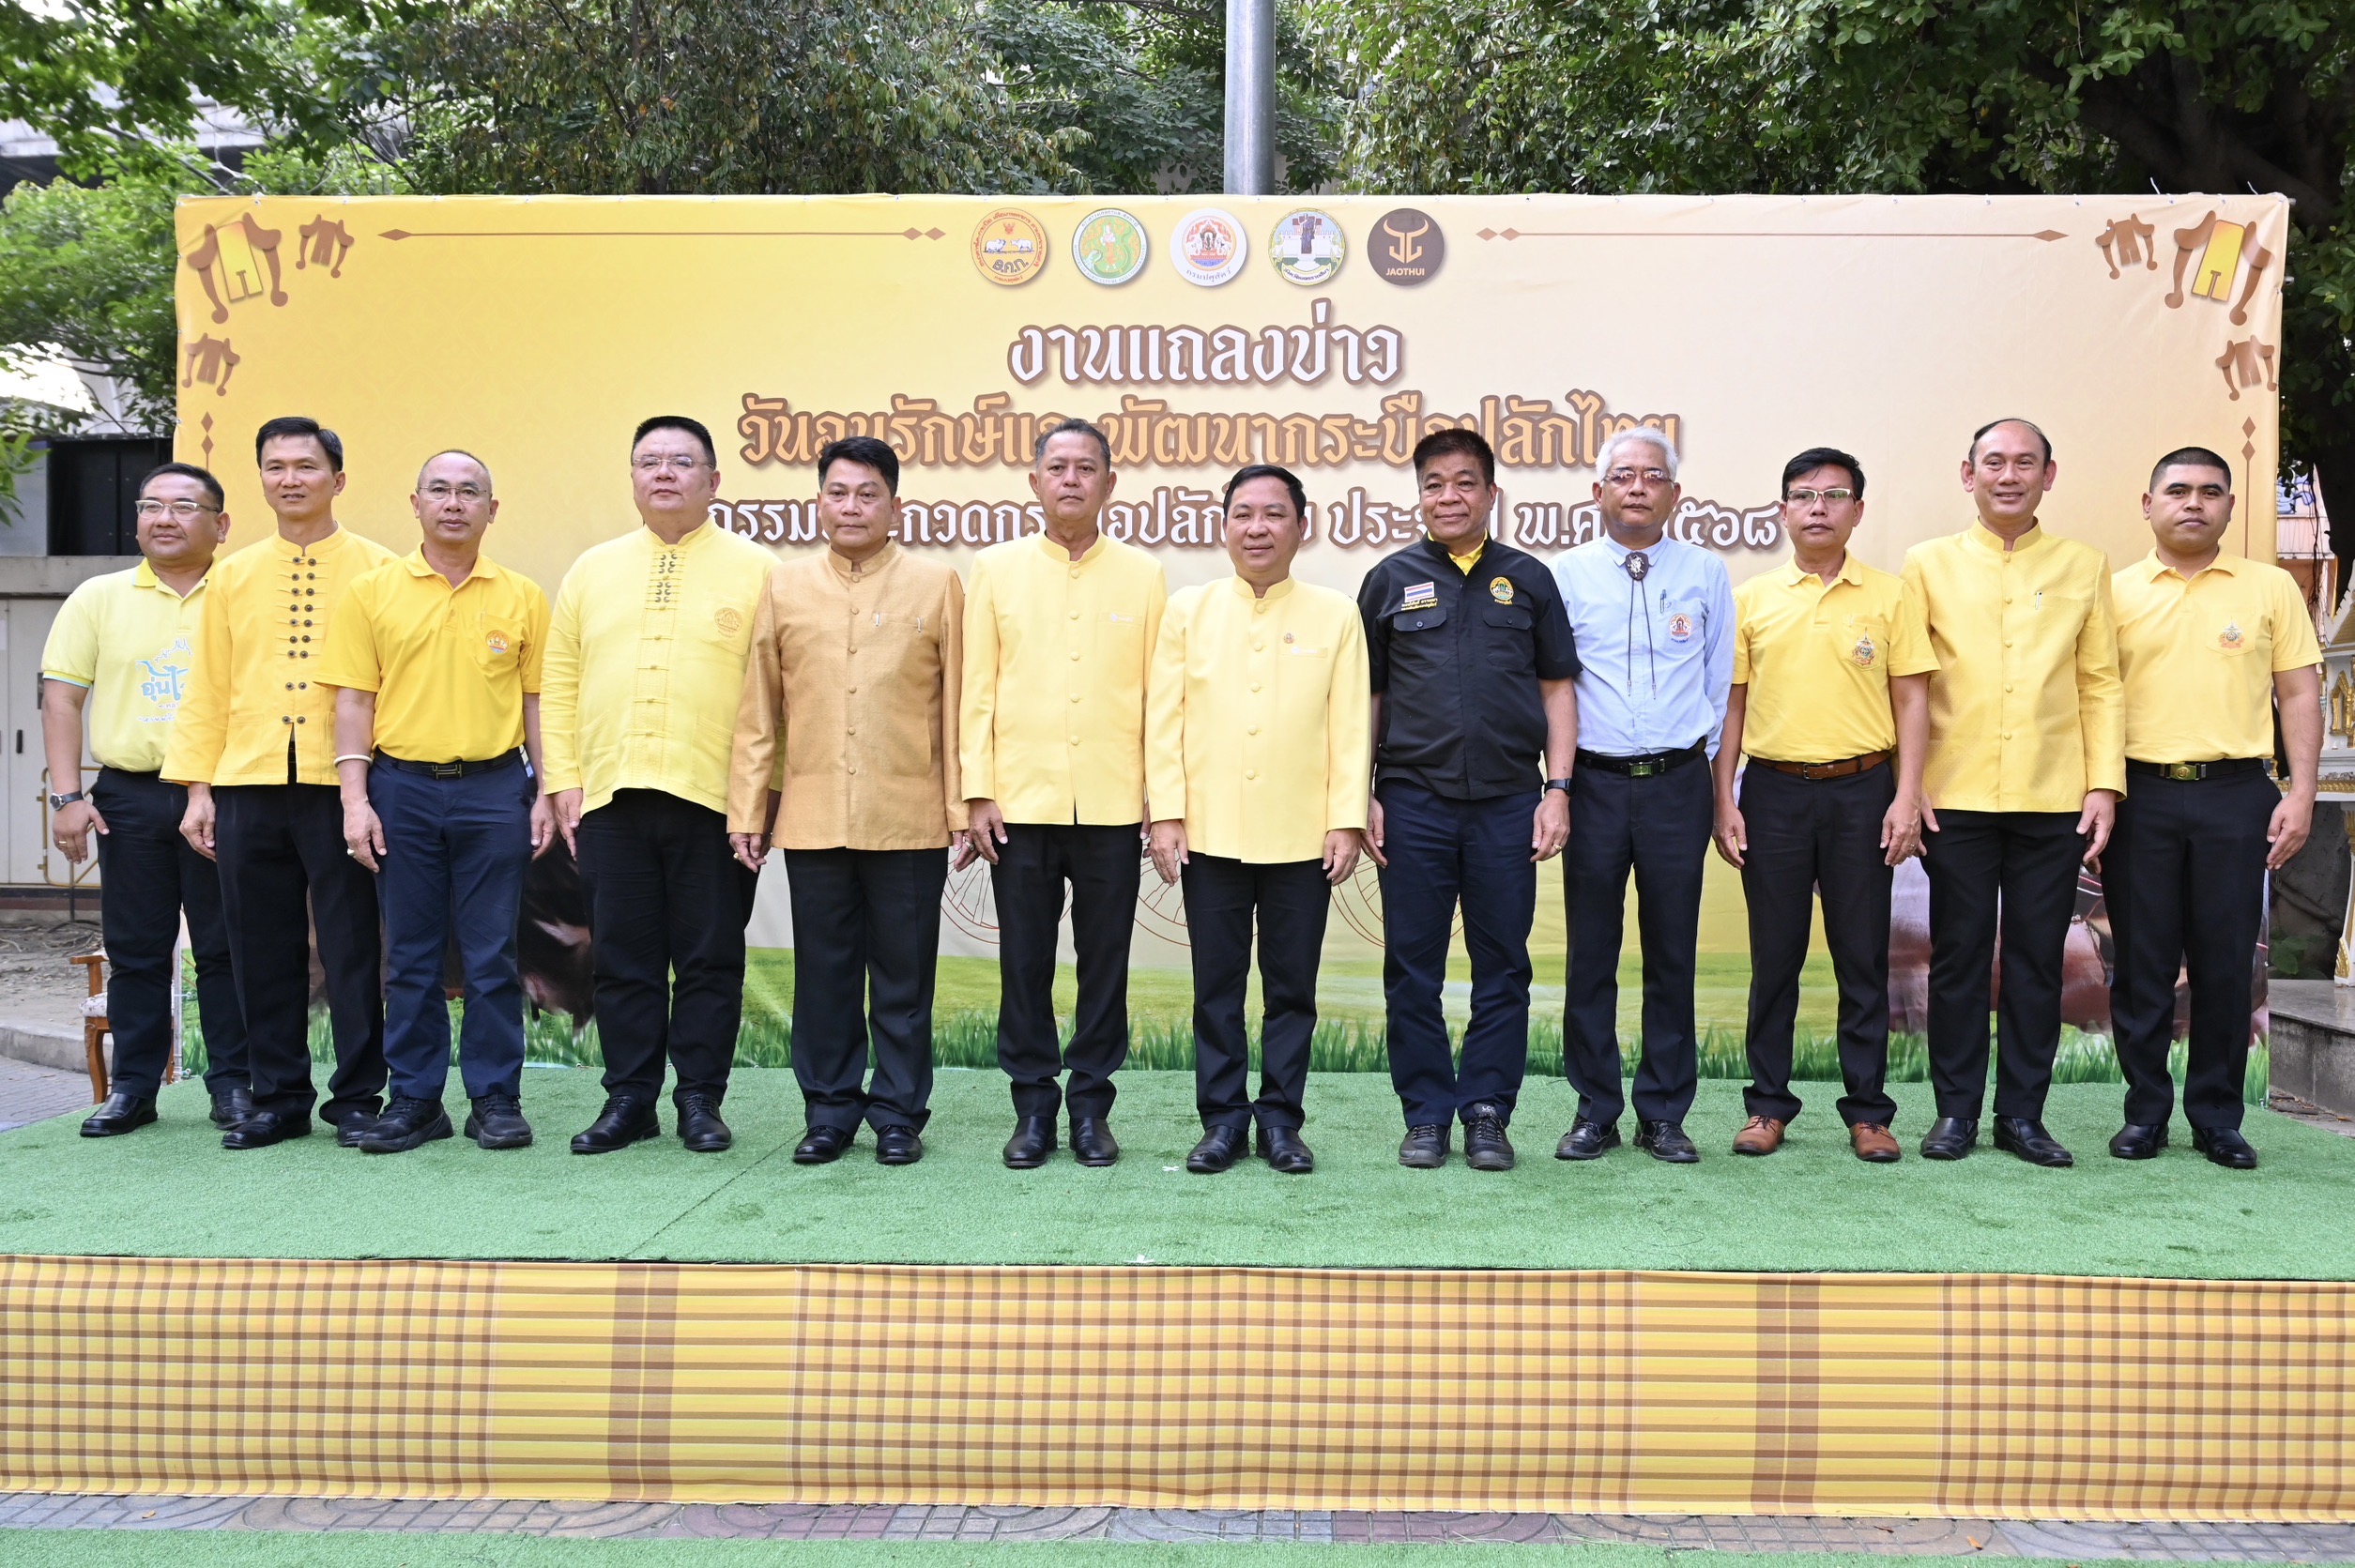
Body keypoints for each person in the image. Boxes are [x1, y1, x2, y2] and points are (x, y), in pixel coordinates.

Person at [728, 435, 965, 1167]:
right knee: (824, 977)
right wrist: (748, 810)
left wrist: (961, 809)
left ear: (896, 506)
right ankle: (828, 1111)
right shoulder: (784, 586)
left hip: (909, 816)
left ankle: (897, 1114)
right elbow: (759, 711)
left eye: (868, 494)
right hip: (813, 816)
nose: (852, 506)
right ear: (819, 503)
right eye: (838, 492)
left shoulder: (936, 585)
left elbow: (959, 708)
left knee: (904, 979)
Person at [543, 416, 775, 1156]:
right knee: (622, 957)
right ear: (633, 478)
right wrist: (563, 780)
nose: (664, 473)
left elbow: (780, 694)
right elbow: (559, 680)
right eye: (649, 462)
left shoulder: (759, 570)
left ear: (714, 481)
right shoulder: (592, 569)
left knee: (710, 958)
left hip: (716, 802)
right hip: (611, 798)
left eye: (681, 461)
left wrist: (760, 799)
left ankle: (700, 1099)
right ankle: (629, 1099)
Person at [163, 416, 396, 1150]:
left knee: (352, 948)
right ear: (261, 479)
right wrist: (198, 790)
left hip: (344, 785)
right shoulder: (231, 575)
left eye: (305, 465)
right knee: (260, 946)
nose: (289, 478)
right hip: (248, 780)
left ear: (338, 478)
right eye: (275, 466)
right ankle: (278, 1097)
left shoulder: (381, 569)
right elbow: (207, 688)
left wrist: (373, 788)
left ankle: (357, 1096)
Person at [1901, 418, 2123, 1166]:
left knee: (2035, 961)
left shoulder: (2082, 564)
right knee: (1958, 958)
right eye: (1993, 462)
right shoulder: (1926, 564)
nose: (2008, 475)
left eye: (2024, 463)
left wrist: (2103, 784)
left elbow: (2099, 682)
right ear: (1967, 475)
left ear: (2047, 476)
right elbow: (1908, 685)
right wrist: (1908, 785)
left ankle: (2022, 1116)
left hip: (2052, 797)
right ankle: (1955, 1113)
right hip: (1953, 795)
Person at [319, 451, 555, 1153]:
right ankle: (416, 1099)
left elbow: (537, 705)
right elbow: (353, 703)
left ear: (492, 509)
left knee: (492, 953)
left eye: (470, 492)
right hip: (401, 788)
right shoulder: (372, 592)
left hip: (495, 789)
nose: (454, 503)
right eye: (440, 490)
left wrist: (547, 791)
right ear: (415, 503)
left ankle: (495, 1098)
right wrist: (354, 800)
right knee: (410, 956)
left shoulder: (522, 596)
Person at [1357, 428, 1578, 1171]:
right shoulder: (1388, 580)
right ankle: (1424, 1113)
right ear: (1419, 495)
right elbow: (1368, 698)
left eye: (1463, 483)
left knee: (1503, 965)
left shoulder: (1528, 579)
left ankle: (1486, 1112)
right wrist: (1362, 792)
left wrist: (1557, 789)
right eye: (1433, 484)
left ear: (1490, 493)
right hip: (1411, 802)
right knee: (1411, 968)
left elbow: (1556, 689)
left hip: (1508, 803)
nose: (1447, 497)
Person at [1710, 448, 1934, 1163]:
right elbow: (1730, 707)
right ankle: (1766, 1105)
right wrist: (1723, 799)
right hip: (1771, 791)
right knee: (1773, 958)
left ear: (1857, 511)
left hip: (1862, 791)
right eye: (1803, 495)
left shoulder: (1891, 596)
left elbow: (1912, 700)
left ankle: (1868, 1113)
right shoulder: (1750, 599)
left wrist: (1905, 795)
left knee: (1860, 958)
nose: (1818, 507)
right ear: (1782, 510)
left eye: (1834, 495)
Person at [1147, 464, 1370, 1176]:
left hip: (1302, 836)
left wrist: (1345, 819)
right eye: (1243, 514)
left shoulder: (1335, 613)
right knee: (1216, 987)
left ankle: (1280, 1122)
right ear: (1224, 527)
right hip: (1207, 832)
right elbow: (1163, 719)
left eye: (1274, 514)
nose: (1257, 528)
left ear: (1302, 527)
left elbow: (1350, 726)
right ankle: (1220, 1121)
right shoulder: (1189, 609)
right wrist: (1166, 813)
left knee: (1290, 989)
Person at [959, 419, 1166, 1170]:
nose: (1071, 479)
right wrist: (975, 792)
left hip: (1113, 804)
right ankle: (1032, 1107)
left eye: (1085, 468)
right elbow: (976, 690)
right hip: (1019, 804)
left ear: (1109, 482)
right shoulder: (995, 569)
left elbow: (1158, 697)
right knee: (1025, 962)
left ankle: (1090, 1108)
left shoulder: (1142, 575)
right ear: (1034, 482)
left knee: (1105, 961)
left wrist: (1159, 797)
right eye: (1057, 467)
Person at [2105, 447, 2319, 1169]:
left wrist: (2300, 791)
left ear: (2229, 505)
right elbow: (2091, 700)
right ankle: (2144, 1112)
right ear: (2147, 505)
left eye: (2208, 491)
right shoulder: (2113, 593)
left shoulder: (2269, 588)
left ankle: (2217, 1117)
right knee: (2140, 961)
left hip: (2236, 793)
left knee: (2226, 962)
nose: (2192, 502)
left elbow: (2297, 691)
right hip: (2137, 793)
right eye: (2176, 490)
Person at [43, 463, 249, 1137]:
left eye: (184, 506)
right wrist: (67, 795)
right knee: (136, 947)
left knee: (227, 946)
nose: (164, 518)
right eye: (150, 505)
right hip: (129, 797)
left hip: (227, 795)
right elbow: (62, 698)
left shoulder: (245, 591)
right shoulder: (97, 597)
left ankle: (234, 1083)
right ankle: (133, 1087)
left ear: (221, 524)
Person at [1552, 427, 1733, 1164]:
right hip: (1592, 784)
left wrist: (1707, 779)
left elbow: (1718, 685)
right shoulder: (1564, 574)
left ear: (1674, 494)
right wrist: (1557, 783)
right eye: (1622, 475)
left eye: (1652, 476)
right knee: (1590, 955)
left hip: (1676, 785)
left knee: (1671, 953)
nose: (1636, 487)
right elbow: (1552, 686)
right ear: (1597, 492)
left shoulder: (1704, 571)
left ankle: (1662, 1112)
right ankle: (1594, 1109)